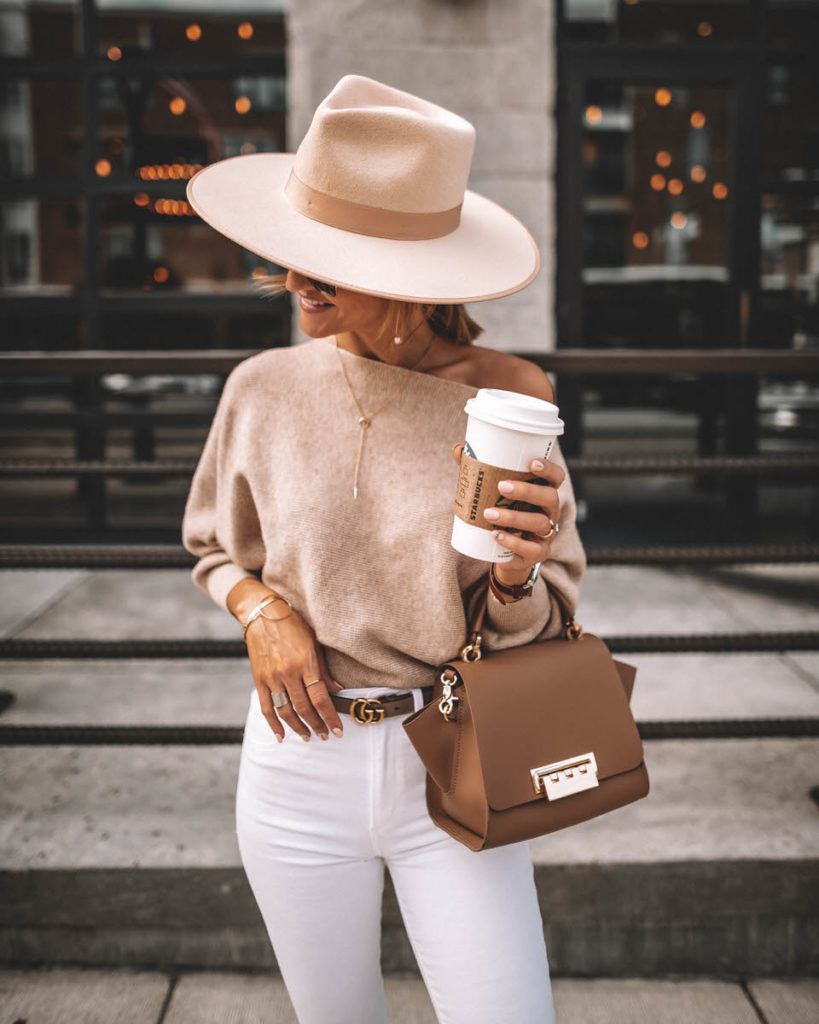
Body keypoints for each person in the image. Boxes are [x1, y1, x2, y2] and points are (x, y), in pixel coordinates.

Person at [181, 74, 585, 1024]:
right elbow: (213, 550)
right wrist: (261, 609)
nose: (295, 279)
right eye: (295, 252)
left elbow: (544, 615)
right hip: (294, 757)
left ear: (419, 275)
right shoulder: (262, 388)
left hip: (450, 752)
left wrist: (522, 569)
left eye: (333, 259)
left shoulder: (508, 400)